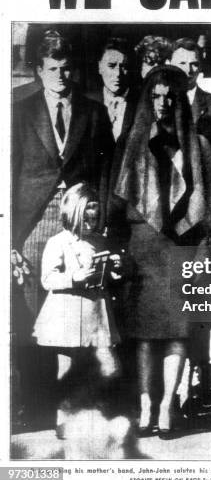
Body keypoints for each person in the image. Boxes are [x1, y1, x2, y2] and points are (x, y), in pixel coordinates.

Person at [115, 65, 211, 437]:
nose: (162, 103)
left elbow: (208, 205)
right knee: (143, 334)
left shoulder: (197, 145)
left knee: (177, 331)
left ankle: (167, 405)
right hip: (142, 243)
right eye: (155, 96)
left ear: (180, 100)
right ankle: (145, 406)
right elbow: (118, 201)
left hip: (183, 246)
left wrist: (204, 254)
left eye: (170, 97)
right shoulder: (133, 143)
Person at [12, 30, 113, 316]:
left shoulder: (94, 112)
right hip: (34, 221)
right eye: (53, 68)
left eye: (66, 68)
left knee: (76, 306)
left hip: (79, 220)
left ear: (75, 70)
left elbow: (105, 171)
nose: (60, 75)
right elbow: (8, 175)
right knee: (34, 304)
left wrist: (101, 218)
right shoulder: (19, 113)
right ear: (40, 71)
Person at [32, 183, 124, 438]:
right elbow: (47, 279)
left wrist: (115, 269)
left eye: (94, 219)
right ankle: (63, 418)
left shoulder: (101, 241)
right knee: (67, 367)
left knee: (103, 365)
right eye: (86, 219)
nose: (91, 224)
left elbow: (109, 277)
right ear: (72, 215)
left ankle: (94, 414)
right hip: (67, 314)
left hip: (96, 311)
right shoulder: (57, 242)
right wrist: (74, 277)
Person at [88, 37, 140, 241]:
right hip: (91, 206)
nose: (118, 74)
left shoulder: (141, 106)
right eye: (111, 66)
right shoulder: (85, 103)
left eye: (124, 67)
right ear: (99, 67)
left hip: (127, 209)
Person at [169, 37, 211, 150]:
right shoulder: (160, 100)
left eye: (194, 64)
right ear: (169, 63)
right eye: (182, 63)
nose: (188, 70)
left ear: (201, 66)